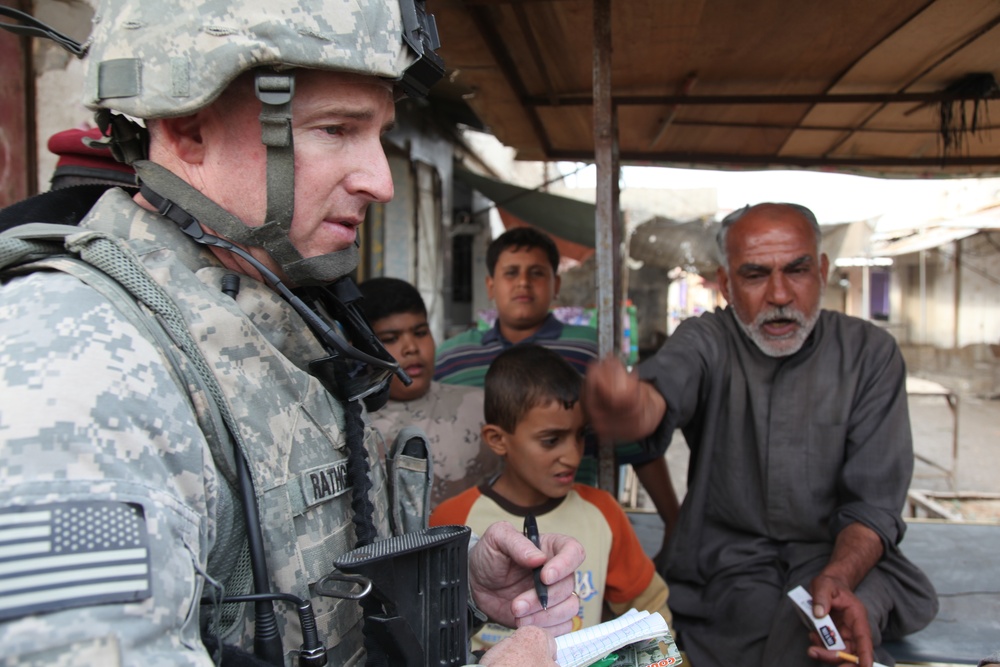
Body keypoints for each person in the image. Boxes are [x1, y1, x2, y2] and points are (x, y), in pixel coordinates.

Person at [0, 1, 584, 665]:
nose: (380, 180)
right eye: (336, 129)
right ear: (190, 130)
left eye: (379, 135)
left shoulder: (276, 315)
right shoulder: (76, 369)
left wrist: (457, 591)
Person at [583, 202, 938, 667]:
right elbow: (659, 392)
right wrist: (630, 404)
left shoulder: (870, 355)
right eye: (755, 274)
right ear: (726, 284)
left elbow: (873, 508)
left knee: (847, 618)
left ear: (823, 271)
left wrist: (840, 573)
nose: (779, 294)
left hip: (836, 557)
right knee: (738, 625)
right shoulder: (706, 339)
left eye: (797, 270)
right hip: (726, 565)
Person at [434, 225, 681, 561]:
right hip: (480, 524)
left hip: (575, 520)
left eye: (537, 273)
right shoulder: (451, 359)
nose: (523, 282)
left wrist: (673, 520)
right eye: (511, 273)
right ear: (491, 285)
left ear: (556, 285)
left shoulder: (588, 349)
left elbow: (634, 443)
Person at [431, 344, 670, 652]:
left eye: (580, 435)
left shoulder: (603, 512)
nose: (572, 456)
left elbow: (651, 607)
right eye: (551, 440)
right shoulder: (452, 521)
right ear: (498, 440)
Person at [358, 276, 501, 508]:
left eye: (421, 332)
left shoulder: (481, 407)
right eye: (391, 339)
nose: (411, 348)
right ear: (360, 349)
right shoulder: (354, 427)